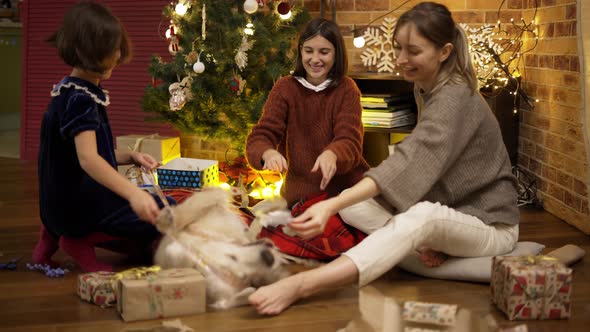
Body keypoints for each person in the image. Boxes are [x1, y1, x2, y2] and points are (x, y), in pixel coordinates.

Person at [248, 2, 519, 315]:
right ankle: (418, 242)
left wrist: (329, 203)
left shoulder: (455, 97)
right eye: (398, 48)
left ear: (444, 52)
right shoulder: (425, 87)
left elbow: (408, 160)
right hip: (453, 212)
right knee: (354, 202)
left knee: (420, 217)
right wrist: (336, 200)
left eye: (413, 51)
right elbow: (425, 168)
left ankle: (304, 284)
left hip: (487, 222)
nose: (401, 59)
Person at [32, 1, 174, 271]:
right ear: (89, 54)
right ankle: (78, 240)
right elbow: (88, 160)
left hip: (54, 207)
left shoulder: (65, 91)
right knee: (166, 210)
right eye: (112, 50)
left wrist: (129, 155)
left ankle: (48, 238)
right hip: (77, 212)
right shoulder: (82, 100)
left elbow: (83, 155)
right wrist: (134, 194)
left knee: (148, 204)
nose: (118, 55)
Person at [245, 17, 370, 208]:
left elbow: (350, 141)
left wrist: (333, 154)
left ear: (336, 54)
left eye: (324, 52)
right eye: (308, 51)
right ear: (300, 51)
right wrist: (267, 152)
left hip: (345, 194)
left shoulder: (347, 89)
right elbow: (261, 135)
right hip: (298, 197)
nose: (315, 59)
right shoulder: (285, 88)